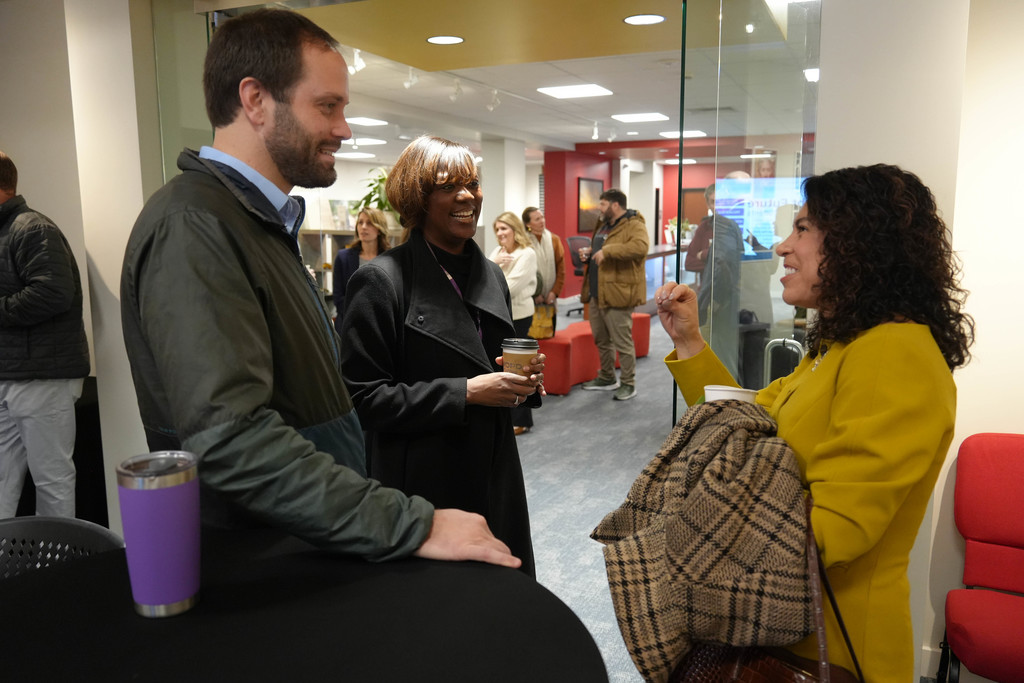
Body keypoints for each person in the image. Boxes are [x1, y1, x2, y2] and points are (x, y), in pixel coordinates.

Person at [120, 9, 519, 569]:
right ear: (255, 100)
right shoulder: (196, 226)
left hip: (305, 539)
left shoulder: (255, 223)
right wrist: (408, 521)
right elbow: (231, 440)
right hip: (261, 560)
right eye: (326, 106)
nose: (344, 128)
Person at [654, 164, 974, 682]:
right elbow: (751, 417)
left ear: (857, 244)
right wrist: (690, 342)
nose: (782, 246)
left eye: (802, 229)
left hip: (827, 651)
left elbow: (831, 533)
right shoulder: (843, 347)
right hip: (782, 633)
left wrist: (693, 538)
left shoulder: (894, 353)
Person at [340, 135, 542, 576]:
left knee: (501, 605)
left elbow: (493, 365)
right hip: (424, 480)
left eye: (472, 182)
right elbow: (366, 401)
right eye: (450, 186)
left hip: (494, 467)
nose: (468, 195)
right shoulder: (381, 281)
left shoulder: (490, 273)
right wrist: (466, 392)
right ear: (418, 198)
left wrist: (522, 382)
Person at [0, 150, 90, 519]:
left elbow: (53, 293)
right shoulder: (12, 230)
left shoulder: (32, 228)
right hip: (12, 375)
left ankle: (55, 571)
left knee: (52, 481)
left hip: (42, 379)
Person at [579, 188, 648, 401]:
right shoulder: (604, 225)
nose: (599, 208)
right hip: (597, 290)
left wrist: (607, 252)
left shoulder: (634, 224)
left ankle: (628, 383)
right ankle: (607, 377)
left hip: (619, 292)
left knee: (622, 341)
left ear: (615, 205)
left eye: (602, 204)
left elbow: (640, 247)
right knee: (601, 338)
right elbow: (600, 249)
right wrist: (590, 253)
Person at [683, 182, 743, 378]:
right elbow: (689, 262)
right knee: (708, 352)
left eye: (722, 202)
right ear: (708, 205)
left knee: (728, 353)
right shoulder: (704, 228)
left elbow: (735, 262)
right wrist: (713, 257)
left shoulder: (734, 228)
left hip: (731, 300)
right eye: (713, 202)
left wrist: (706, 254)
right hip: (708, 299)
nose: (718, 206)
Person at [489, 211, 538, 435]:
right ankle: (505, 414)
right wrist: (493, 263)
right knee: (502, 364)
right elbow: (482, 279)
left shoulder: (526, 254)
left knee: (519, 367)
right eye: (497, 229)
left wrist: (492, 270)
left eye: (504, 228)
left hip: (519, 315)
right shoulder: (496, 254)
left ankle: (522, 419)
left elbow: (510, 288)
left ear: (515, 230)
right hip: (499, 315)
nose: (500, 234)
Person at [333, 206, 389, 332]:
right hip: (349, 325)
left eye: (369, 223)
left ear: (379, 229)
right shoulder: (343, 257)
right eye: (360, 222)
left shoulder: (390, 258)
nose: (363, 227)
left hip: (381, 326)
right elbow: (338, 298)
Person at [522, 206, 565, 333]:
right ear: (528, 224)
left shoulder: (554, 240)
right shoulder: (523, 242)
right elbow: (523, 272)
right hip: (529, 299)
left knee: (549, 336)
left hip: (550, 298)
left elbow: (561, 270)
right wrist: (535, 293)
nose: (542, 221)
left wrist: (554, 292)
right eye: (537, 219)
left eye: (542, 217)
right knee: (531, 340)